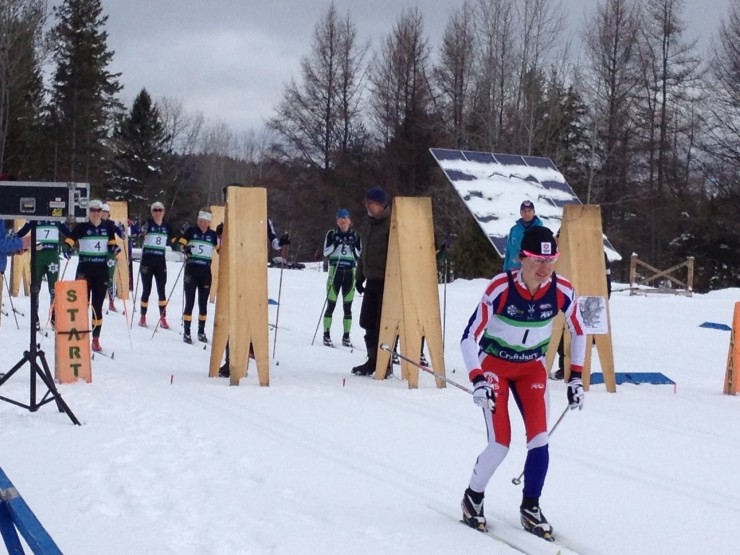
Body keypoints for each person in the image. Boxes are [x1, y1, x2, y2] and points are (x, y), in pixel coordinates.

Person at [459, 225, 586, 540]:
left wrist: (576, 378)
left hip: (532, 369)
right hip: (495, 368)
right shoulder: (500, 287)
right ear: (521, 259)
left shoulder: (562, 289)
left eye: (550, 261)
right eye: (536, 261)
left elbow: (579, 331)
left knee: (540, 441)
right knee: (500, 443)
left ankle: (531, 505)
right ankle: (473, 497)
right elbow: (468, 337)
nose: (544, 268)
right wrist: (477, 378)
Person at [215, 183, 290, 377]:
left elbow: (273, 241)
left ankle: (250, 348)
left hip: (254, 269)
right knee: (231, 314)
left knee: (251, 311)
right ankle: (231, 360)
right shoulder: (228, 218)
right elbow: (220, 248)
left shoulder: (262, 217)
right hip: (234, 269)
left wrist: (282, 241)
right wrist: (220, 236)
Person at [64, 200, 119, 352]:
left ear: (102, 212)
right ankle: (79, 336)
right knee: (81, 306)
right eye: (92, 210)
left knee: (97, 307)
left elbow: (112, 243)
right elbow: (70, 240)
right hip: (84, 271)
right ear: (89, 211)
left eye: (98, 210)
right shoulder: (82, 226)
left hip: (101, 271)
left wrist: (115, 249)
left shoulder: (108, 226)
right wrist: (67, 249)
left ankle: (95, 338)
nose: (95, 213)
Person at [351, 187, 391, 377]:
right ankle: (373, 358)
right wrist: (360, 276)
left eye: (371, 203)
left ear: (381, 205)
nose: (368, 206)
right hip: (371, 280)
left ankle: (384, 362)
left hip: (386, 281)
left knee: (381, 323)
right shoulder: (368, 223)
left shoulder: (391, 224)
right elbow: (363, 253)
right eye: (366, 203)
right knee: (366, 320)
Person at [16, 219, 72, 328]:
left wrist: (68, 247)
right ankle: (34, 316)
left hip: (52, 258)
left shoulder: (56, 219)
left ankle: (54, 314)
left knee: (54, 288)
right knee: (35, 287)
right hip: (38, 257)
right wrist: (12, 238)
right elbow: (22, 231)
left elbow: (70, 234)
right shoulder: (34, 218)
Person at [178, 209, 219, 344]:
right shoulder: (191, 231)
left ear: (209, 223)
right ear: (197, 221)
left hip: (205, 272)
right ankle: (187, 332)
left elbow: (221, 250)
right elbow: (181, 244)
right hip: (191, 271)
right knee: (190, 302)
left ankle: (201, 331)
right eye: (200, 221)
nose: (202, 224)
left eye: (205, 222)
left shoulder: (212, 235)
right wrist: (185, 249)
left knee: (203, 304)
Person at [322, 208, 361, 347]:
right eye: (340, 218)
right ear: (337, 221)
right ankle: (326, 334)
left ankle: (346, 336)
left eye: (345, 218)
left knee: (348, 306)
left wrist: (352, 244)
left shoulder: (355, 235)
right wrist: (336, 243)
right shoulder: (332, 233)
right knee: (331, 304)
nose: (342, 221)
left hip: (350, 271)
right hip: (335, 270)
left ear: (350, 220)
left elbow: (358, 255)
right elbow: (326, 252)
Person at [137, 201, 178, 328]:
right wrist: (142, 232)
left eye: (160, 210)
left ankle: (163, 318)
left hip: (160, 261)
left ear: (163, 212)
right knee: (146, 290)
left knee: (162, 291)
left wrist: (183, 244)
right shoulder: (148, 223)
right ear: (152, 212)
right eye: (155, 210)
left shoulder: (167, 226)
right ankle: (143, 316)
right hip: (147, 261)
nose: (158, 212)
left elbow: (174, 240)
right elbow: (140, 233)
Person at [503, 200, 543, 271]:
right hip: (512, 271)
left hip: (530, 272)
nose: (526, 213)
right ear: (521, 213)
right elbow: (508, 251)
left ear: (534, 212)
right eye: (524, 211)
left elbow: (544, 255)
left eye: (529, 210)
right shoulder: (514, 230)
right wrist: (505, 270)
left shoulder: (541, 230)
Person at [101, 203, 125, 312]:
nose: (104, 214)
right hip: (99, 253)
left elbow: (121, 235)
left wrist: (122, 231)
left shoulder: (111, 224)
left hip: (110, 253)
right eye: (103, 211)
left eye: (106, 212)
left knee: (110, 278)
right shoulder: (96, 223)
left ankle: (111, 301)